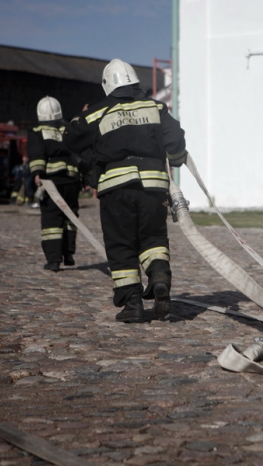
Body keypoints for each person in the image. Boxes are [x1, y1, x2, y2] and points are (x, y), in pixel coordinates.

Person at [63, 58, 187, 324]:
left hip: (116, 188)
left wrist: (81, 115)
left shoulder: (97, 112)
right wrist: (176, 159)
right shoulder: (155, 107)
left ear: (107, 85)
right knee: (153, 238)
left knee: (121, 243)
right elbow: (175, 138)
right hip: (154, 187)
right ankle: (159, 277)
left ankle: (132, 304)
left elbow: (70, 137)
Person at [28, 96, 82, 272]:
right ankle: (68, 254)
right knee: (70, 216)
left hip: (51, 181)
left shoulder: (37, 131)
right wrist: (86, 176)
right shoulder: (68, 129)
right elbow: (80, 152)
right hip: (72, 179)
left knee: (52, 219)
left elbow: (37, 153)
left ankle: (54, 260)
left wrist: (37, 172)